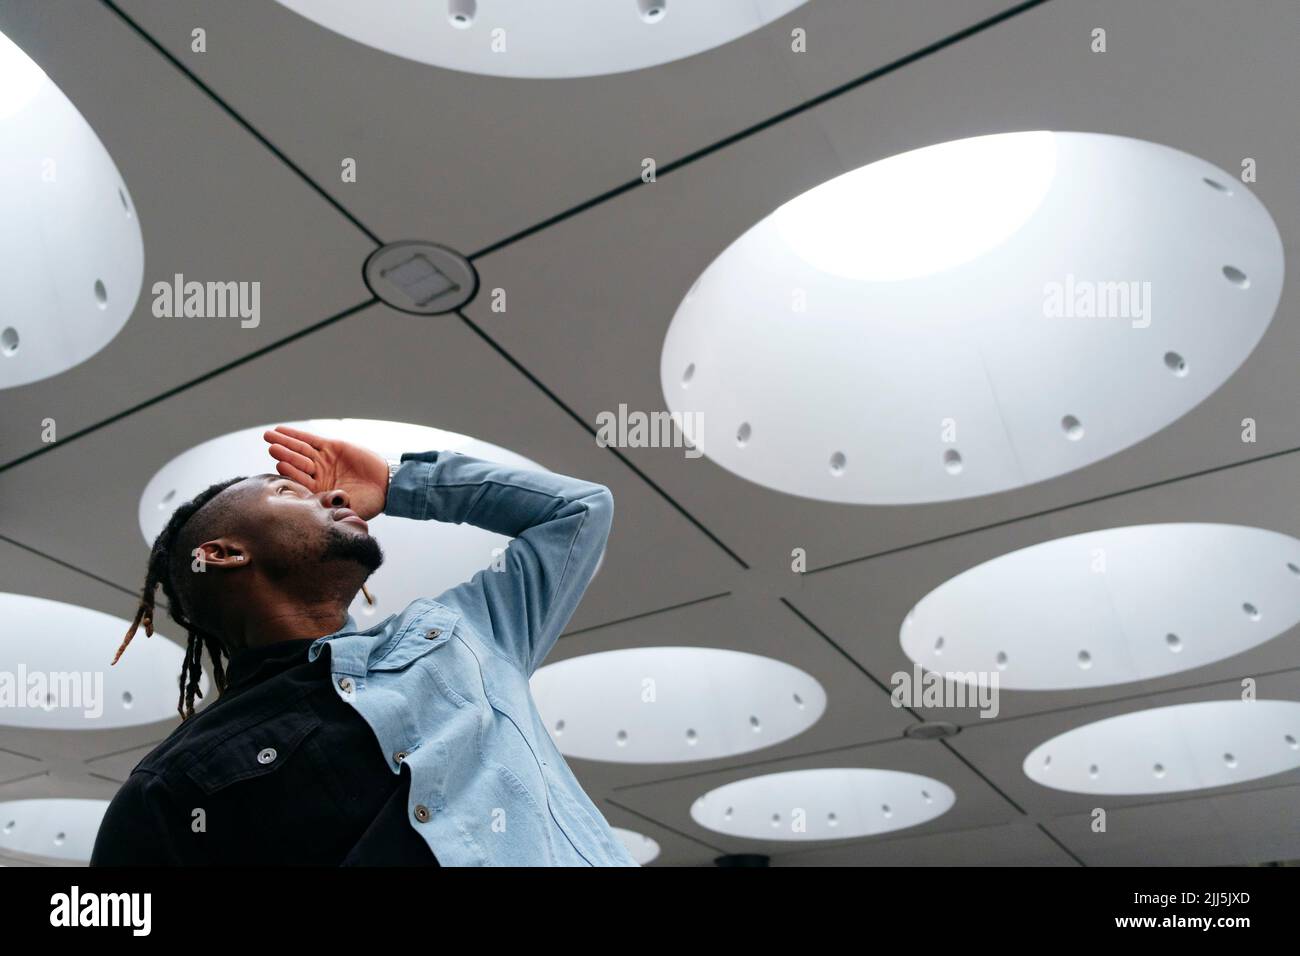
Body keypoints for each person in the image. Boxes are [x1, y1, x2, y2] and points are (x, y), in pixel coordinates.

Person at [89, 425, 639, 866]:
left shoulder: (464, 633)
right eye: (288, 493)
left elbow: (581, 511)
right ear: (226, 553)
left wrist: (399, 483)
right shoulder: (174, 783)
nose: (330, 494)